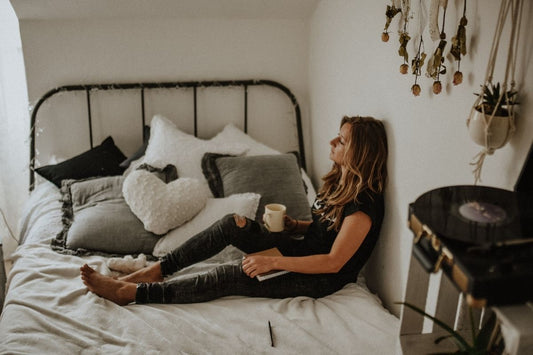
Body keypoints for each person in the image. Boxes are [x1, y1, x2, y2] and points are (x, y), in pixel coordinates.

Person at [80, 116, 388, 305]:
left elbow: (334, 262)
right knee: (233, 224)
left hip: (318, 278)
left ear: (358, 153)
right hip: (299, 252)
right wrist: (298, 226)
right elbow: (327, 231)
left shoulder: (364, 205)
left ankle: (133, 294)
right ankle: (157, 271)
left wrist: (269, 261)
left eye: (342, 140)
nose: (333, 140)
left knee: (231, 274)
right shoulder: (338, 183)